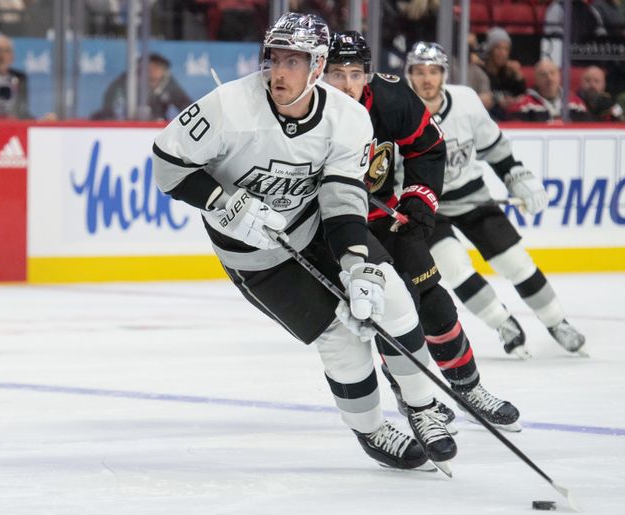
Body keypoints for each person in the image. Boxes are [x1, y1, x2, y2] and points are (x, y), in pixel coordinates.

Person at [151, 13, 456, 473]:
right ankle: (372, 430)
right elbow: (167, 165)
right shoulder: (228, 107)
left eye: (294, 61)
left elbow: (341, 196)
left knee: (390, 294)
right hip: (254, 257)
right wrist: (222, 201)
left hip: (316, 228)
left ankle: (422, 405)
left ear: (317, 67)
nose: (279, 72)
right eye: (274, 58)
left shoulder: (349, 118)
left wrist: (357, 264)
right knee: (340, 339)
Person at [324, 31, 521, 432]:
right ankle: (411, 395)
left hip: (384, 217)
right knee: (385, 306)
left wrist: (418, 199)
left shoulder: (391, 98)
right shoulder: (304, 108)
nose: (346, 84)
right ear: (319, 73)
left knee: (431, 295)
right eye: (336, 73)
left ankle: (469, 386)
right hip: (333, 228)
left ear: (369, 74)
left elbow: (428, 146)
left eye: (355, 73)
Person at [403, 41, 588, 361]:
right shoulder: (397, 110)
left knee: (516, 262)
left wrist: (517, 176)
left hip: (472, 196)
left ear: (445, 74)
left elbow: (495, 149)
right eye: (419, 72)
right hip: (426, 208)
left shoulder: (466, 102)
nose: (427, 79)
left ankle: (558, 322)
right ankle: (503, 324)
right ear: (408, 76)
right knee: (454, 268)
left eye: (433, 71)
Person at [94, 52, 191, 121]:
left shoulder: (169, 83)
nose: (153, 71)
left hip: (156, 126)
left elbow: (185, 104)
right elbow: (111, 106)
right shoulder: (126, 82)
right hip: (128, 125)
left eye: (158, 68)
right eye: (149, 68)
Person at [506, 58, 591, 122]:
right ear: (536, 79)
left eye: (552, 73)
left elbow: (588, 131)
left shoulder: (576, 104)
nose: (549, 78)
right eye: (543, 74)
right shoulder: (523, 106)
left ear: (559, 76)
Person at [481, 27, 527, 120]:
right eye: (498, 48)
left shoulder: (509, 74)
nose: (503, 53)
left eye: (506, 49)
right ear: (490, 50)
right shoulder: (481, 72)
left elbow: (522, 94)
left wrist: (518, 76)